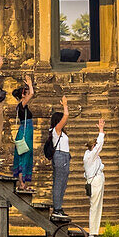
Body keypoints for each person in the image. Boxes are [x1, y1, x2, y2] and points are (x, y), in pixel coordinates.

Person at [11, 76, 35, 194]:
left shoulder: (22, 106)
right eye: (26, 93)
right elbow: (32, 93)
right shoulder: (22, 104)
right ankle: (22, 183)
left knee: (25, 156)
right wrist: (30, 84)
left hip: (27, 132)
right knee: (23, 157)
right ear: (23, 95)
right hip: (25, 132)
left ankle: (23, 182)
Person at [83, 117, 106, 237]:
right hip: (95, 182)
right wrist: (101, 130)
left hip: (95, 181)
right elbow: (99, 145)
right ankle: (92, 233)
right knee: (95, 207)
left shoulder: (90, 156)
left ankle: (94, 232)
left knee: (97, 206)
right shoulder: (90, 156)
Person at [49, 95, 70, 223]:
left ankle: (59, 207)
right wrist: (65, 105)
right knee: (58, 183)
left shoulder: (60, 133)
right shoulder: (56, 130)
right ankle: (56, 208)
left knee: (63, 183)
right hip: (60, 156)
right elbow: (66, 116)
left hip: (65, 156)